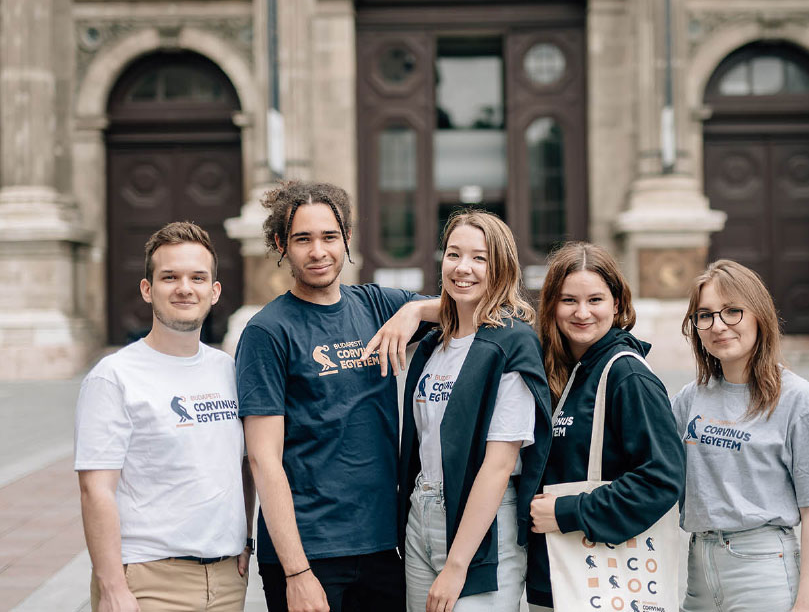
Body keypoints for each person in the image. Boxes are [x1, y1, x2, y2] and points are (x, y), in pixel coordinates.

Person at [235, 181, 438, 612]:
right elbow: (263, 459)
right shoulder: (267, 332)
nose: (318, 251)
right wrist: (296, 572)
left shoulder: (378, 305)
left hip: (383, 544)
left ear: (347, 238)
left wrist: (417, 309)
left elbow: (482, 306)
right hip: (311, 553)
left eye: (329, 236)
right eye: (302, 239)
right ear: (280, 244)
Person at [75, 221, 253, 612]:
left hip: (226, 579)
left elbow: (244, 465)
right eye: (169, 277)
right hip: (149, 579)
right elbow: (95, 490)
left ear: (214, 291)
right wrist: (112, 587)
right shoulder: (115, 376)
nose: (184, 288)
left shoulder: (230, 370)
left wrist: (246, 539)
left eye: (197, 277)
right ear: (147, 289)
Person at [397, 209, 552, 612]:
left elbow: (498, 467)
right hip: (421, 513)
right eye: (453, 254)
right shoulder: (433, 344)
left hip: (481, 524)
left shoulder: (513, 344)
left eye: (479, 258)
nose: (463, 268)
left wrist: (456, 565)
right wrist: (415, 310)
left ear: (501, 267)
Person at [525, 241, 685, 610]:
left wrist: (569, 511)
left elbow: (662, 479)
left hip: (602, 578)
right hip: (555, 576)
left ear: (617, 303)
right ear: (551, 305)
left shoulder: (627, 375)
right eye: (568, 300)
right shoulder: (560, 370)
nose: (582, 313)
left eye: (595, 300)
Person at [673, 259, 809, 612]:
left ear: (759, 315)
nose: (718, 326)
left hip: (763, 568)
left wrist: (807, 602)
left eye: (732, 311)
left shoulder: (800, 400)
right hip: (700, 566)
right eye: (705, 315)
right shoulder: (691, 397)